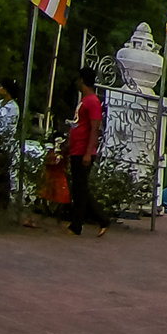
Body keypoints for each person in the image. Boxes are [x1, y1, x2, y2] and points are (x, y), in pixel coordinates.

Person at [66, 72, 108, 237]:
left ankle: (79, 224)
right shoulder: (84, 101)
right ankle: (97, 220)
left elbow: (95, 128)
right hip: (78, 148)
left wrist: (88, 152)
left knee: (81, 189)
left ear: (82, 80)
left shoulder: (93, 102)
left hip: (84, 150)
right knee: (79, 189)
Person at [0, 79, 21, 210]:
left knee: (4, 173)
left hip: (5, 145)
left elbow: (8, 127)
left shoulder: (13, 108)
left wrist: (1, 139)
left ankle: (3, 202)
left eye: (1, 87)